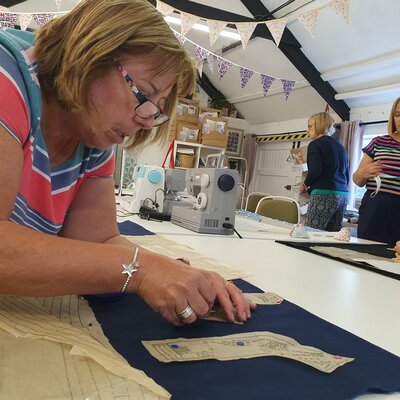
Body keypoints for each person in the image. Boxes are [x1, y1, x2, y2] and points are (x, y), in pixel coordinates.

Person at [0, 0, 255, 326]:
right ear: (90, 54)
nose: (148, 121)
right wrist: (142, 270)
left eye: (157, 108)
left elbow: (98, 241)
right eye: (145, 94)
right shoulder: (7, 77)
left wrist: (176, 273)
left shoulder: (91, 131)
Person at [353, 97, 400, 245]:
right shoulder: (378, 142)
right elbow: (357, 180)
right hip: (374, 207)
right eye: (398, 115)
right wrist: (363, 173)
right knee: (366, 254)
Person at [299, 112, 349, 231]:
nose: (308, 130)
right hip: (343, 195)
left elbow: (315, 171)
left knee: (311, 233)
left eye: (310, 126)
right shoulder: (341, 147)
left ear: (320, 125)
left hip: (324, 194)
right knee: (331, 237)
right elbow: (346, 174)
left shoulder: (315, 144)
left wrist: (304, 185)